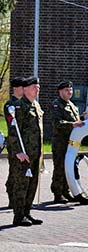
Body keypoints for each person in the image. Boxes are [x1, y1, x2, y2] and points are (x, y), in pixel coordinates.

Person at [10, 77, 44, 226]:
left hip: (36, 153)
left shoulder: (36, 105)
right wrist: (19, 151)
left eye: (38, 87)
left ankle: (27, 213)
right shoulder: (19, 106)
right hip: (24, 154)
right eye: (34, 87)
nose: (37, 89)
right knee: (21, 185)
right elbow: (13, 131)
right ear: (25, 89)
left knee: (32, 184)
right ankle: (18, 216)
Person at [50, 80, 84, 203]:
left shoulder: (72, 105)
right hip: (60, 141)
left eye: (71, 90)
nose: (70, 92)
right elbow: (57, 123)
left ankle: (66, 191)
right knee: (60, 167)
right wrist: (73, 124)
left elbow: (77, 121)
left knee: (69, 167)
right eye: (66, 90)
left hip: (72, 142)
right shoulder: (56, 104)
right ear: (60, 91)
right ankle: (57, 193)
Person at [4, 77, 26, 208]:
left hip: (25, 143)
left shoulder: (23, 103)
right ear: (16, 88)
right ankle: (12, 200)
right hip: (15, 145)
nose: (24, 90)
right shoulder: (10, 105)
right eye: (23, 87)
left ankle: (21, 201)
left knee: (22, 173)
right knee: (15, 173)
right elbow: (12, 126)